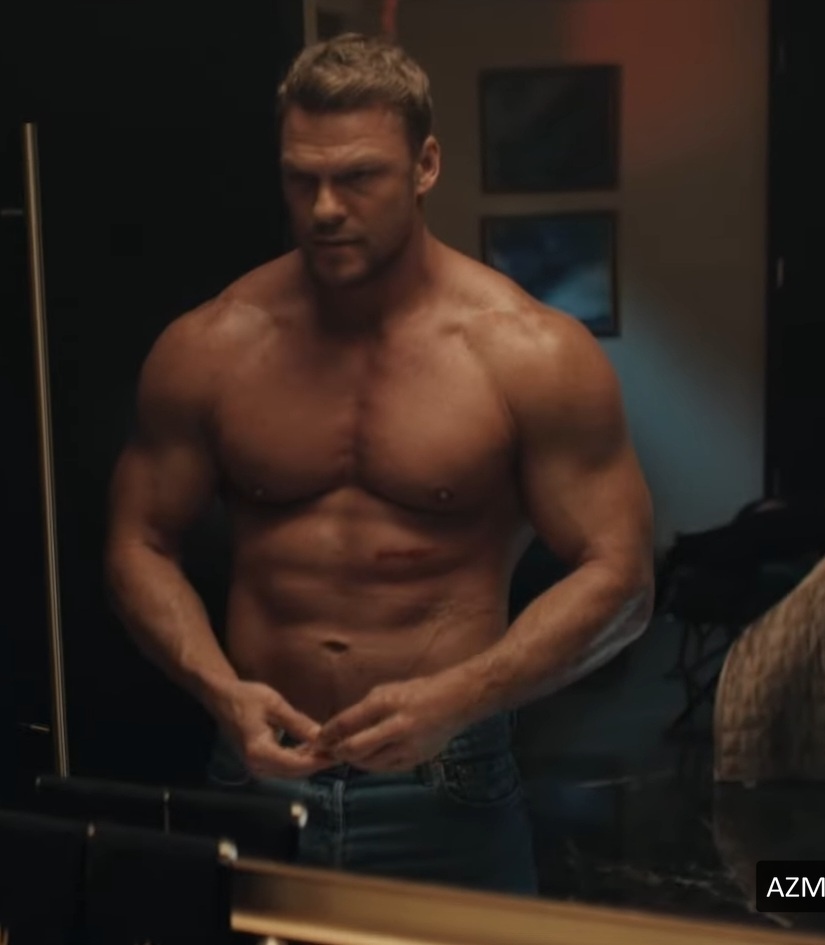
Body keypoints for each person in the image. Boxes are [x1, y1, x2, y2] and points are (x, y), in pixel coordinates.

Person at [103, 33, 655, 894]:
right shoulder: (211, 346)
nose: (325, 208)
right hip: (254, 771)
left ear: (425, 165)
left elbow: (621, 578)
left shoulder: (528, 352)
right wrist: (217, 688)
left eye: (359, 176)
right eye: (302, 178)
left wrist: (462, 696)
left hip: (448, 782)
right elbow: (138, 542)